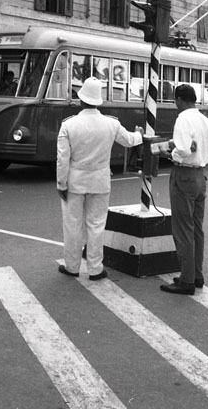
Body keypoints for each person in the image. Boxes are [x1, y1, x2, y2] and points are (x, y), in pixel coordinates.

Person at [56, 76, 143, 280]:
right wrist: (139, 134)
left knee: (72, 225)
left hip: (75, 182)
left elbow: (62, 159)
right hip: (100, 181)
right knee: (96, 225)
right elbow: (129, 140)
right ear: (98, 100)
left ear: (81, 99)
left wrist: (61, 184)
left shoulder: (69, 125)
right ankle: (95, 269)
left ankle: (72, 266)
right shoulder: (111, 124)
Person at [160, 84, 208, 295]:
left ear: (179, 99)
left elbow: (183, 149)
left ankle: (186, 280)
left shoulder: (183, 119)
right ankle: (196, 274)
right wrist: (203, 159)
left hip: (184, 175)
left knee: (183, 229)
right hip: (199, 176)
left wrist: (171, 154)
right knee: (196, 228)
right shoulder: (204, 120)